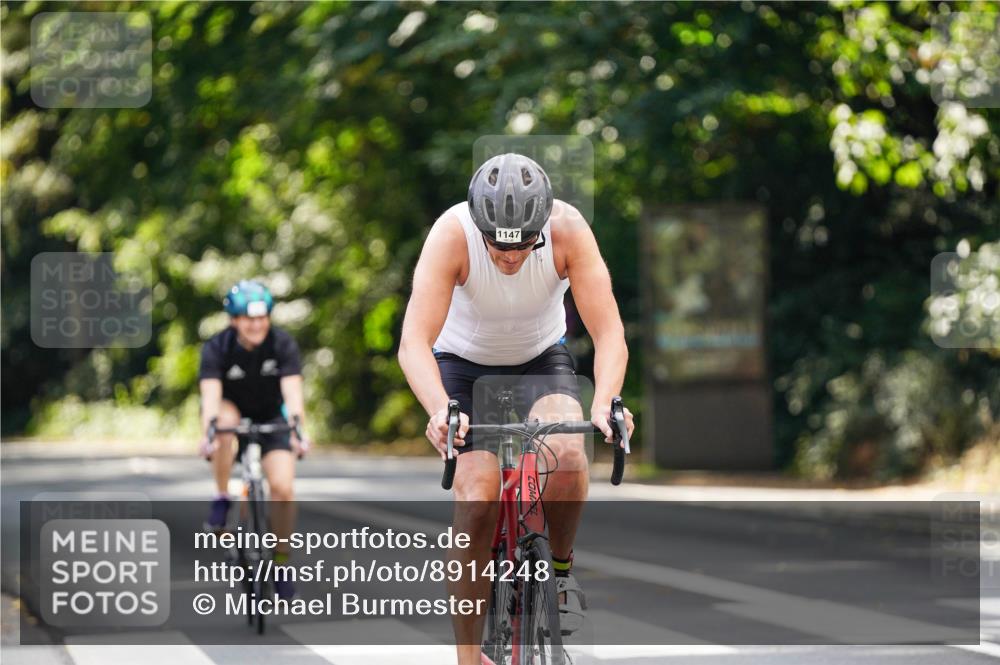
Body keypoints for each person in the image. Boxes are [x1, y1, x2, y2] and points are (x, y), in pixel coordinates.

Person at [398, 153, 634, 665]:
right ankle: (467, 657)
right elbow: (413, 341)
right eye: (498, 247)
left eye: (523, 246)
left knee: (569, 457)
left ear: (541, 227)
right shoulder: (452, 234)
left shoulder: (568, 228)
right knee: (477, 498)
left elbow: (610, 331)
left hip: (539, 359)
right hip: (463, 365)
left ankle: (560, 571)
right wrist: (441, 409)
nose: (509, 259)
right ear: (480, 226)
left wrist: (606, 400)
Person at [198, 279, 311, 600]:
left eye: (262, 318)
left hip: (270, 416)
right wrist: (208, 431)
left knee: (283, 488)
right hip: (231, 409)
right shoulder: (217, 348)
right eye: (249, 319)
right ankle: (222, 497)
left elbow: (293, 394)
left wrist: (299, 430)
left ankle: (281, 562)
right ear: (234, 320)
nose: (257, 325)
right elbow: (210, 397)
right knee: (225, 424)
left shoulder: (282, 344)